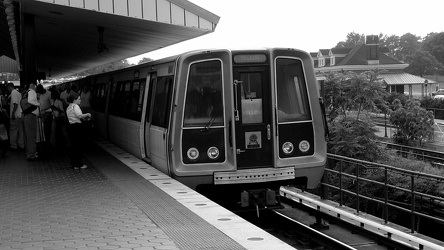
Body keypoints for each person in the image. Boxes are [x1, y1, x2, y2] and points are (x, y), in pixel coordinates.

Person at [66, 92, 91, 169]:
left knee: (73, 146)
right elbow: (79, 115)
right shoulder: (75, 106)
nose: (80, 101)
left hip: (71, 127)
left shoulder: (69, 107)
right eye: (79, 99)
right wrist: (87, 114)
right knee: (78, 146)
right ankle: (79, 164)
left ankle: (74, 164)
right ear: (74, 100)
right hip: (77, 127)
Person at [22, 83, 40, 161]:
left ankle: (29, 153)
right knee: (32, 136)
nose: (36, 89)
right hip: (31, 116)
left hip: (26, 116)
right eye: (35, 87)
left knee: (27, 136)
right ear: (33, 87)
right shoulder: (32, 91)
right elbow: (30, 101)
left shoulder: (25, 93)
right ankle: (31, 154)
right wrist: (38, 103)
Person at [6, 82, 24, 151]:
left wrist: (13, 113)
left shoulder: (13, 92)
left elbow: (15, 104)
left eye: (8, 88)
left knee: (13, 131)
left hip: (15, 115)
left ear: (9, 87)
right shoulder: (19, 93)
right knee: (20, 131)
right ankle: (21, 145)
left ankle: (13, 145)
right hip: (20, 115)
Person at [36, 84, 53, 151]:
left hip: (47, 114)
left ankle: (47, 142)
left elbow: (52, 105)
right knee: (40, 129)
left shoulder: (49, 94)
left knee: (46, 129)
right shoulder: (38, 94)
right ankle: (41, 142)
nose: (39, 93)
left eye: (40, 92)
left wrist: (45, 111)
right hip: (39, 114)